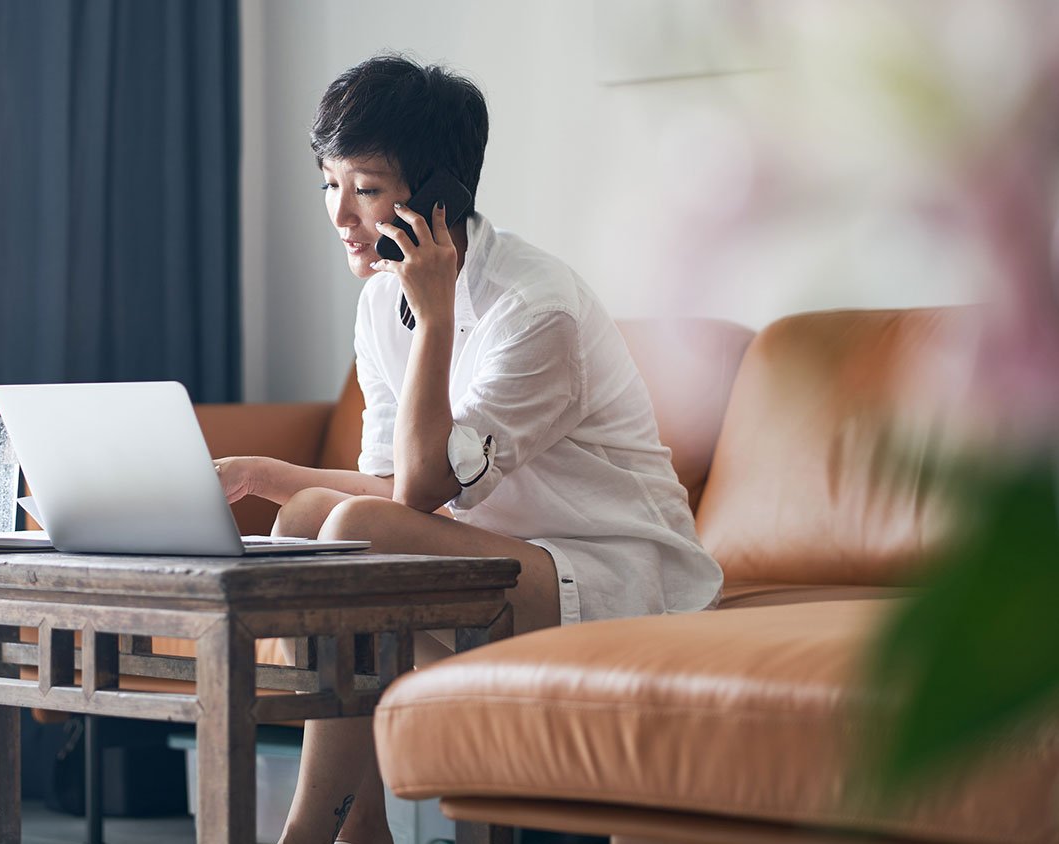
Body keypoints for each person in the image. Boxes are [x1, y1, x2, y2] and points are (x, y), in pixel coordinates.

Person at [214, 54, 723, 844]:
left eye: (367, 189)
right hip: (494, 561)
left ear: (438, 200)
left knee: (346, 533)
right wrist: (263, 476)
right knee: (313, 516)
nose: (341, 215)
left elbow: (414, 491)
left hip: (612, 575)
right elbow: (387, 481)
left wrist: (439, 316)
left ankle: (311, 833)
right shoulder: (382, 300)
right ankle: (362, 830)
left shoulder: (535, 309)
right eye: (330, 184)